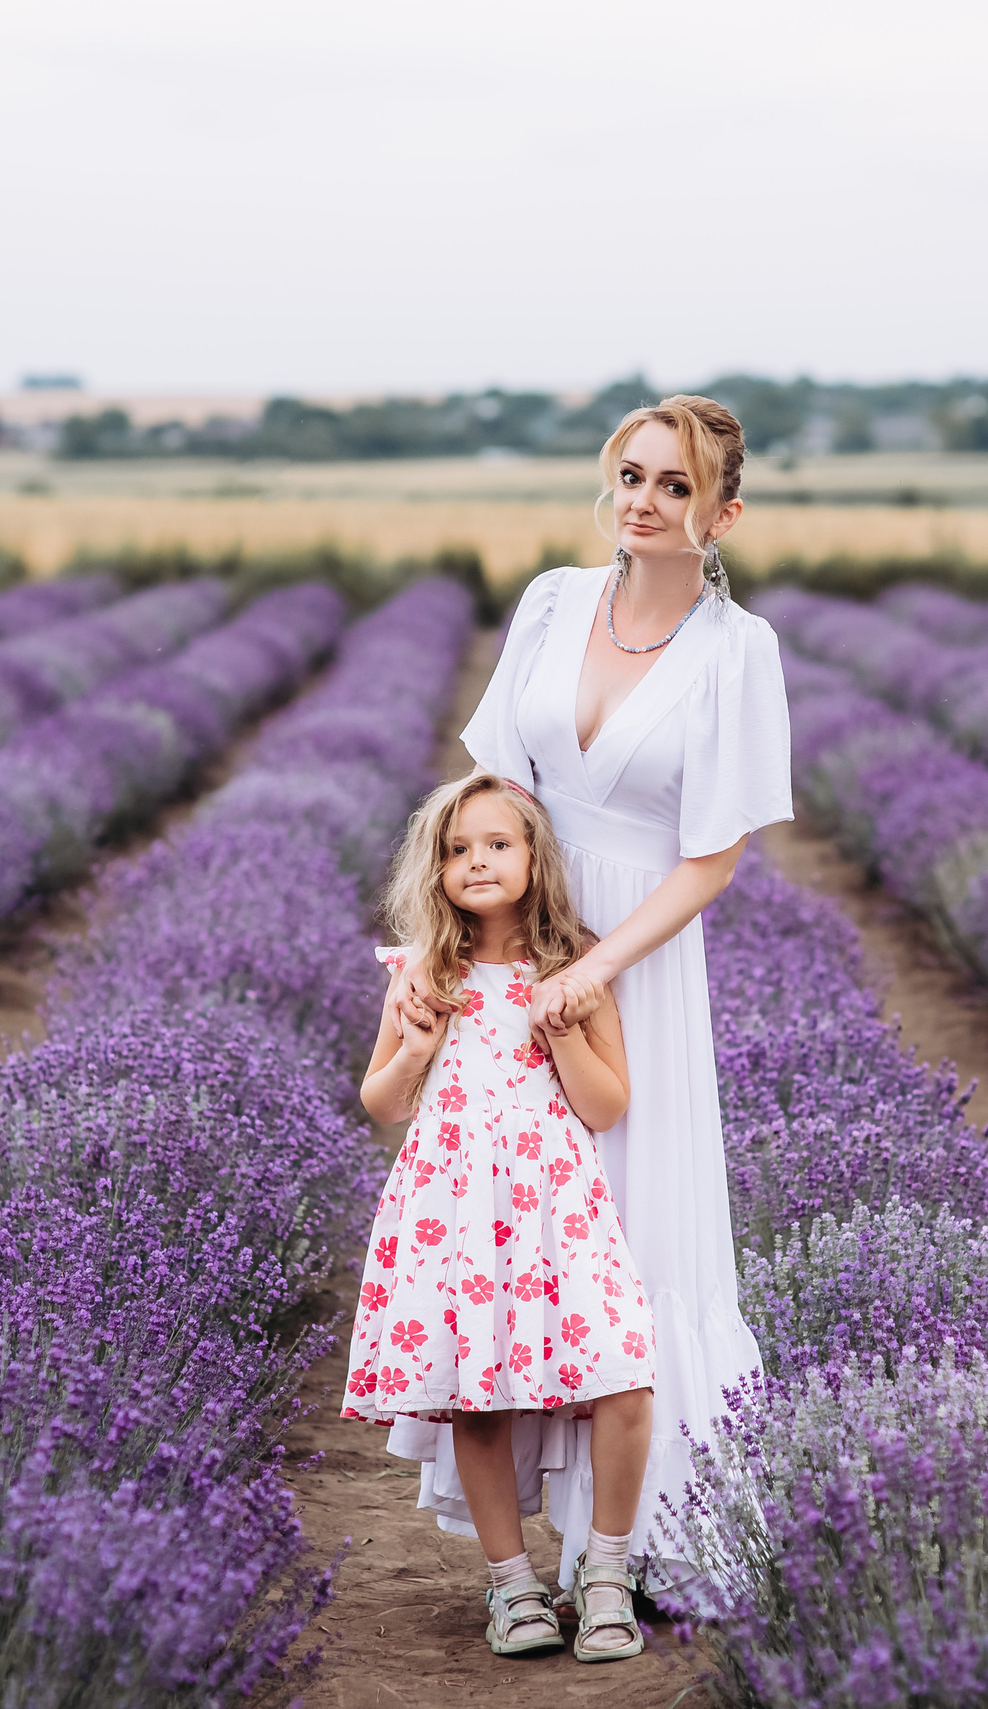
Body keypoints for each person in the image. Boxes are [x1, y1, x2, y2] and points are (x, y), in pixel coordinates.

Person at [386, 394, 791, 1601]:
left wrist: (596, 964)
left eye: (675, 484)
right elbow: (496, 784)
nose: (643, 500)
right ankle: (532, 1556)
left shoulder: (738, 648)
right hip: (524, 940)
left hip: (637, 960)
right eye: (630, 474)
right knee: (517, 1231)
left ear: (722, 511)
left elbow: (712, 857)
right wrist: (463, 936)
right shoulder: (553, 603)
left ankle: (642, 1542)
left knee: (636, 1228)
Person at [347, 770, 659, 1662]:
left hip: (557, 1203)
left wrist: (560, 1026)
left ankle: (605, 1573)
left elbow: (606, 1106)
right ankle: (512, 1585)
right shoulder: (421, 972)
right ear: (436, 869)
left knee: (622, 1371)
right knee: (474, 1396)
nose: (476, 860)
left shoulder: (575, 967)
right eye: (457, 849)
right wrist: (415, 1047)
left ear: (533, 857)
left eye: (497, 843)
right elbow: (382, 1100)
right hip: (455, 1209)